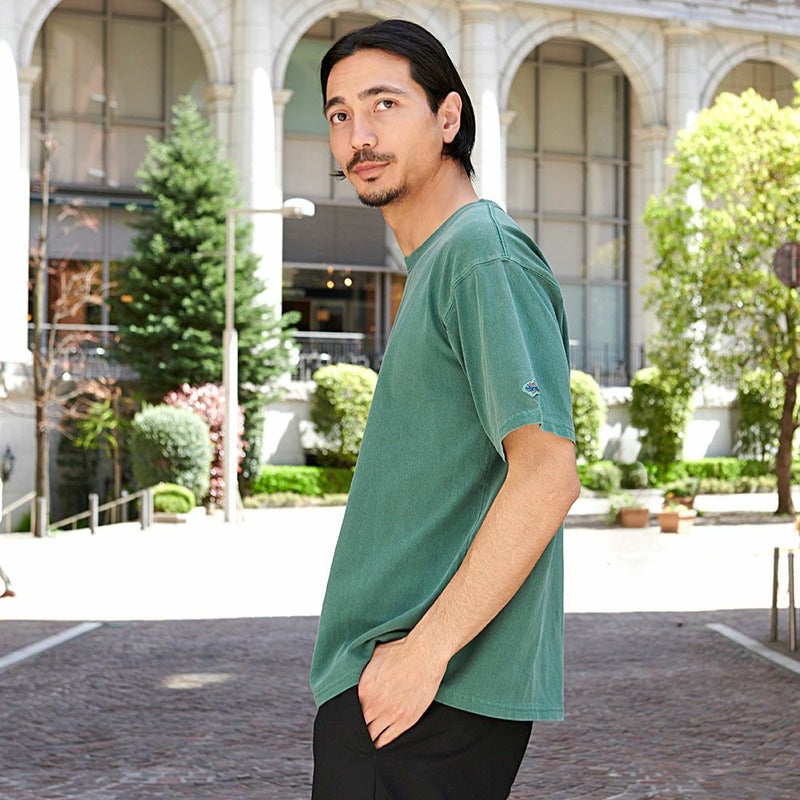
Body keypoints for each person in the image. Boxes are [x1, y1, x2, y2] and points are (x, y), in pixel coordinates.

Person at [310, 19, 580, 800]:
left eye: (385, 104)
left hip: (425, 694)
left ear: (449, 116)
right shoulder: (442, 261)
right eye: (338, 113)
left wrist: (423, 655)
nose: (359, 135)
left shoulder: (480, 255)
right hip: (403, 691)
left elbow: (548, 475)